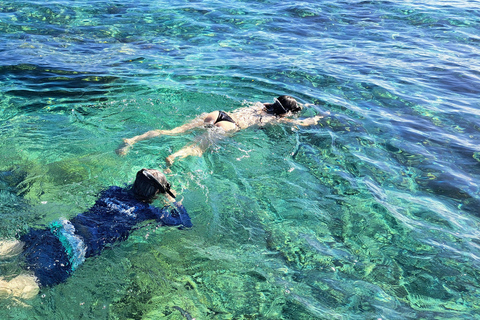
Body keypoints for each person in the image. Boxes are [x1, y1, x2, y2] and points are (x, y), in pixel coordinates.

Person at [0, 169, 192, 301]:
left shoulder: (112, 191)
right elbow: (185, 224)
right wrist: (174, 199)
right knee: (31, 283)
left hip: (61, 228)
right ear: (157, 193)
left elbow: (128, 192)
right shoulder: (149, 211)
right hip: (74, 247)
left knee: (16, 245)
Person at [116, 95, 323, 166]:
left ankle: (133, 140)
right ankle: (174, 157)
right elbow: (301, 124)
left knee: (174, 131)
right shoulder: (273, 119)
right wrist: (315, 119)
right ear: (284, 113)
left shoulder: (261, 105)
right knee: (197, 149)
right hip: (230, 126)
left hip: (219, 114)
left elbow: (277, 105)